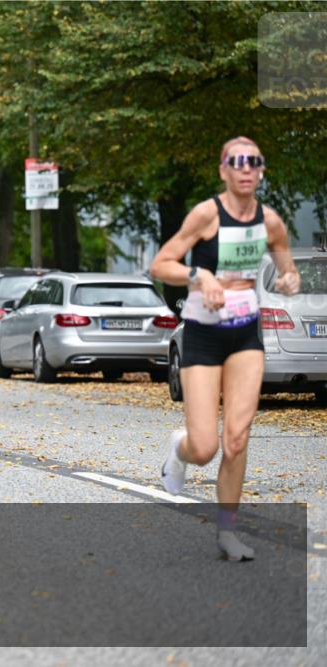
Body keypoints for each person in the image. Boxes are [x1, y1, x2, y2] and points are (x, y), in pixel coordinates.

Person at [150, 137, 300, 561]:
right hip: (203, 332)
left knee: (236, 439)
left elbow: (288, 272)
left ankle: (227, 533)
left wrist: (290, 282)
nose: (246, 168)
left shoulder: (271, 222)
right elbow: (162, 264)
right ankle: (180, 449)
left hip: (244, 334)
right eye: (237, 162)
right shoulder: (205, 214)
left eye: (254, 161)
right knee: (206, 447)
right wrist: (200, 275)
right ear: (224, 171)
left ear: (261, 171)